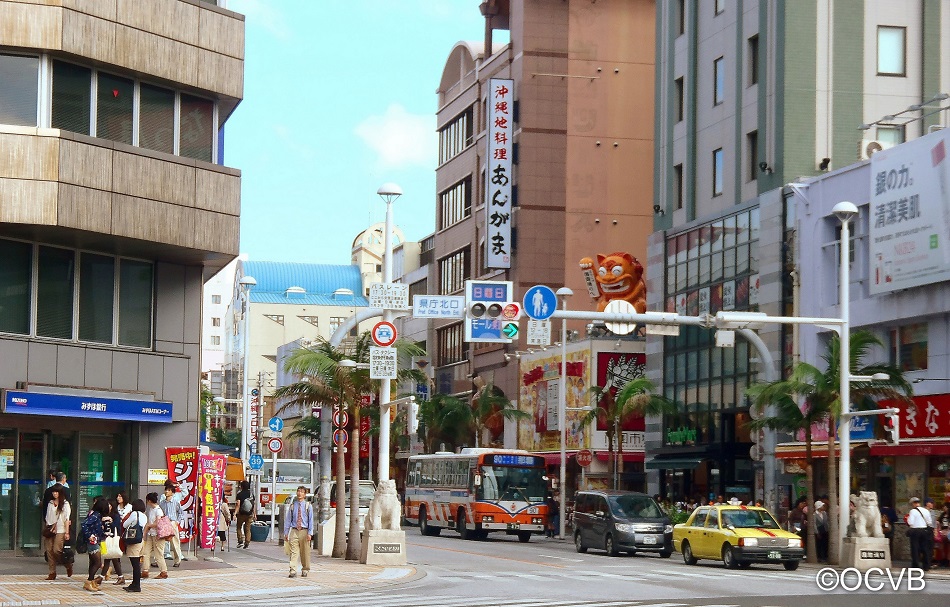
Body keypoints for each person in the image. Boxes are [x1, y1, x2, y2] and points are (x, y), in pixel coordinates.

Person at [283, 485, 313, 578]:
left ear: (304, 494)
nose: (299, 493)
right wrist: (286, 532)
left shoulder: (308, 506)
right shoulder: (293, 506)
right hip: (294, 530)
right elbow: (288, 520)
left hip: (304, 530)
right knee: (293, 552)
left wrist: (310, 533)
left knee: (305, 552)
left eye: (302, 492)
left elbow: (311, 520)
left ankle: (305, 569)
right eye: (298, 491)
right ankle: (293, 570)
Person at [43, 483, 72, 580]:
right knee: (49, 551)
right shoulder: (50, 503)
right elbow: (47, 517)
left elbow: (67, 519)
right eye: (53, 492)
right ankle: (52, 572)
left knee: (57, 550)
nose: (55, 494)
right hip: (50, 529)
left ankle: (67, 564)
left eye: (57, 492)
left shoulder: (65, 504)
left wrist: (67, 532)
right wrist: (48, 527)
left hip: (61, 529)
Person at [80, 498, 106, 592]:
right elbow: (84, 524)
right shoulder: (95, 515)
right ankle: (89, 581)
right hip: (92, 541)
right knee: (97, 562)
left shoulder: (96, 515)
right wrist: (89, 535)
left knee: (93, 562)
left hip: (95, 540)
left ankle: (91, 582)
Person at [122, 499, 147, 593]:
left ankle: (136, 585)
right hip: (140, 541)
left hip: (133, 542)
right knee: (137, 565)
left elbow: (125, 525)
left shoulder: (134, 514)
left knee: (135, 565)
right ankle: (134, 583)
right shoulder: (144, 516)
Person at [142, 492, 168, 579]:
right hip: (151, 534)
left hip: (158, 535)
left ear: (149, 501)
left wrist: (149, 526)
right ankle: (145, 570)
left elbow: (158, 523)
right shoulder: (151, 510)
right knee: (146, 552)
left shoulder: (158, 510)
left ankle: (163, 571)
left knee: (158, 554)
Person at [159, 480, 185, 567]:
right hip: (165, 523)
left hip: (173, 522)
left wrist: (177, 522)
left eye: (169, 490)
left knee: (175, 542)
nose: (166, 492)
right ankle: (159, 560)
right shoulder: (162, 502)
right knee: (161, 542)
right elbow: (160, 512)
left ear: (172, 492)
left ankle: (177, 560)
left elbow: (181, 512)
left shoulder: (175, 502)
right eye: (166, 490)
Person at [99, 498, 124, 585]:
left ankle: (101, 577)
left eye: (109, 505)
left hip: (112, 540)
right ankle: (120, 577)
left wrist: (110, 520)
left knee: (110, 558)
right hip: (104, 539)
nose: (108, 506)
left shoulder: (115, 516)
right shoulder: (103, 515)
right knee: (108, 557)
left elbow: (117, 527)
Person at [907, 496, 933, 570]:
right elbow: (929, 522)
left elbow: (910, 522)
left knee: (915, 548)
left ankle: (916, 564)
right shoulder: (925, 511)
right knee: (925, 548)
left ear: (913, 504)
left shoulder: (913, 511)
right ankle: (926, 565)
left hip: (915, 531)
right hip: (924, 530)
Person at [234, 480, 255, 549]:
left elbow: (238, 505)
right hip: (249, 514)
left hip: (241, 514)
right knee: (248, 529)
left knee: (239, 527)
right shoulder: (251, 494)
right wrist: (254, 514)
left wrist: (235, 513)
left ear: (242, 486)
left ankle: (240, 540)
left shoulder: (239, 494)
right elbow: (253, 505)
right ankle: (247, 542)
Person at [938, 503, 950, 567]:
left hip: (948, 532)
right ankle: (943, 560)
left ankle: (948, 561)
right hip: (942, 532)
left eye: (945, 507)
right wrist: (940, 531)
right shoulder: (942, 515)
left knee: (948, 547)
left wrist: (947, 531)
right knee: (941, 547)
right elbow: (939, 523)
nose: (944, 508)